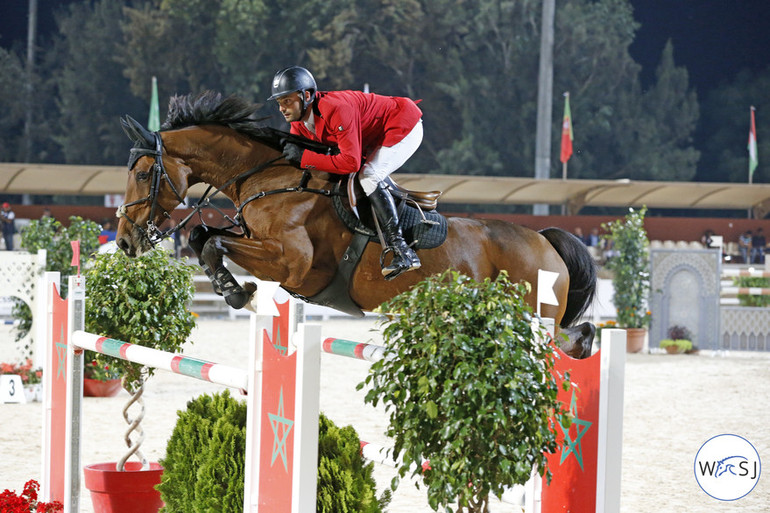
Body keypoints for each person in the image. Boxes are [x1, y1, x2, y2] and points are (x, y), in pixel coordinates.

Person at [268, 65, 422, 280]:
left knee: (368, 176)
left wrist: (304, 159)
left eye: (287, 101)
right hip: (371, 138)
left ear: (307, 96)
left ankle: (402, 250)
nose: (282, 109)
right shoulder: (299, 125)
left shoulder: (336, 108)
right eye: (279, 103)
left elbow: (350, 162)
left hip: (403, 124)